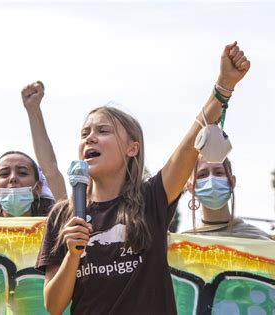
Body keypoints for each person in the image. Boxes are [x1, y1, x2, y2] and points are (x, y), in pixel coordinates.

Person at [35, 41, 251, 314]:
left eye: (103, 130)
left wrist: (223, 87)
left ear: (132, 148)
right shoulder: (62, 216)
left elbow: (188, 144)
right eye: (84, 133)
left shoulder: (152, 198)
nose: (90, 137)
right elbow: (53, 306)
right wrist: (72, 255)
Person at [183, 156, 275, 248]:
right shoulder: (183, 245)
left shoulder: (259, 239)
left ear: (232, 182)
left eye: (219, 173)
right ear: (190, 187)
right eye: (202, 175)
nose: (212, 179)